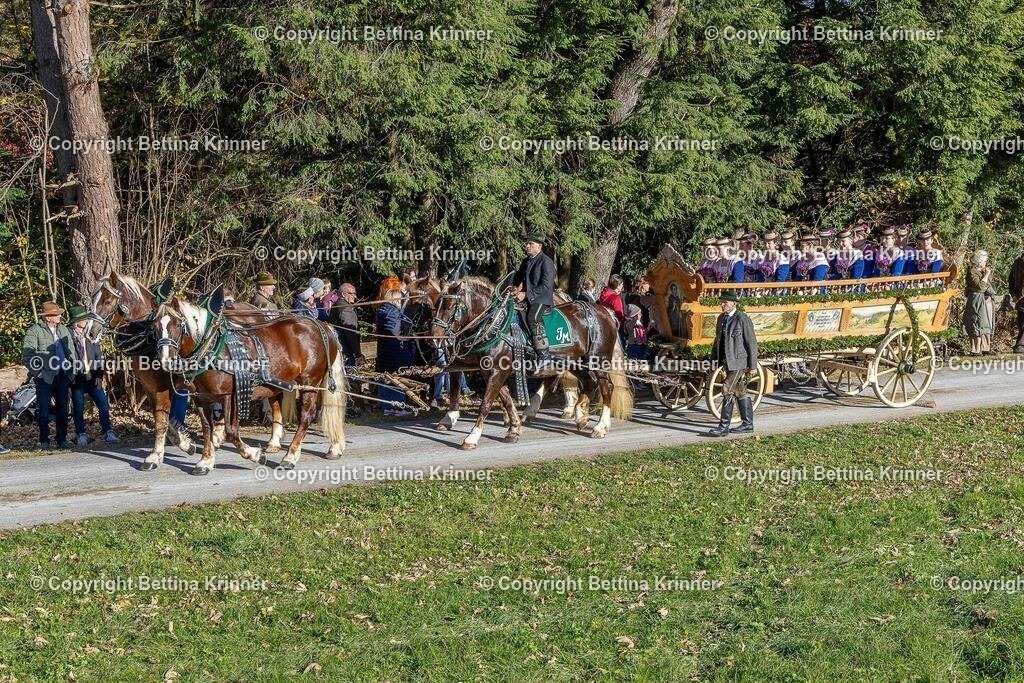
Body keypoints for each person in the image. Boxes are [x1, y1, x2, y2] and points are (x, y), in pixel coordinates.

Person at [22, 301, 76, 450]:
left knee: (63, 410)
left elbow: (71, 351)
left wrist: (72, 371)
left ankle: (61, 439)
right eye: (56, 314)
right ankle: (44, 441)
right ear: (47, 317)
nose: (59, 315)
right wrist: (38, 373)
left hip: (62, 375)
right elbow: (28, 356)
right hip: (44, 377)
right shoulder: (34, 331)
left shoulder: (64, 330)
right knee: (44, 411)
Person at [708, 290, 758, 437]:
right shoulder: (721, 319)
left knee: (727, 389)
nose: (722, 305)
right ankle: (747, 425)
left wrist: (753, 366)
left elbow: (751, 342)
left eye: (725, 302)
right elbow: (717, 342)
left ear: (734, 303)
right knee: (740, 391)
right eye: (721, 302)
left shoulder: (742, 318)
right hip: (725, 361)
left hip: (738, 362)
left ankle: (723, 427)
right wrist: (713, 361)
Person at [67, 305, 119, 447]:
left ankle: (108, 431)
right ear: (76, 322)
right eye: (84, 319)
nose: (86, 322)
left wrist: (99, 376)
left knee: (103, 405)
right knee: (78, 407)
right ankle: (81, 434)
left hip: (93, 377)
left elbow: (98, 357)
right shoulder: (68, 337)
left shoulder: (90, 336)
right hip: (77, 378)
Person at [512, 231, 556, 367]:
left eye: (530, 243)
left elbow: (546, 286)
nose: (527, 246)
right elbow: (517, 278)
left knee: (533, 318)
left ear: (539, 246)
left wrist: (525, 294)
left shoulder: (546, 262)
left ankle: (544, 355)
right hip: (527, 297)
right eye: (527, 243)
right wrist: (512, 287)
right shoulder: (526, 261)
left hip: (541, 299)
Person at [376, 278, 416, 416]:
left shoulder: (382, 309)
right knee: (397, 378)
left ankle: (387, 406)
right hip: (395, 350)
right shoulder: (391, 311)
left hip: (386, 351)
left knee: (387, 378)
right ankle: (398, 407)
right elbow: (396, 331)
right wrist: (410, 337)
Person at [964, 249, 998, 356]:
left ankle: (986, 347)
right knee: (976, 322)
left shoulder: (982, 271)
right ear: (979, 262)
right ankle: (975, 349)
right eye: (984, 261)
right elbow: (980, 286)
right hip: (976, 301)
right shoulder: (972, 272)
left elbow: (988, 283)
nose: (985, 263)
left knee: (986, 323)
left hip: (986, 300)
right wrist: (986, 275)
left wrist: (986, 274)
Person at [330, 282, 362, 367]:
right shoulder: (345, 309)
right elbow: (350, 334)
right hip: (346, 351)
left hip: (339, 349)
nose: (355, 296)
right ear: (344, 294)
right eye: (352, 294)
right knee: (349, 378)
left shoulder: (336, 304)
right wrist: (357, 353)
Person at [1008, 253, 1024, 354]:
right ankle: (1020, 345)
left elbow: (1010, 279)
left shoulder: (1017, 261)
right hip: (1021, 296)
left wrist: (1013, 294)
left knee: (1021, 321)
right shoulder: (1019, 262)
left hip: (1019, 296)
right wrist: (1018, 295)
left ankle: (1020, 345)